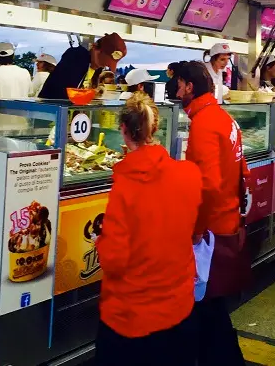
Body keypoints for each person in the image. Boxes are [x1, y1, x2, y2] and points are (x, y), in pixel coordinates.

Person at [95, 92, 203, 365]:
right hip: (179, 305)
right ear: (156, 128)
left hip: (132, 315)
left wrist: (101, 240)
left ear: (123, 131)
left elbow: (115, 261)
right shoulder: (189, 174)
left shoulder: (125, 187)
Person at [171, 61, 249, 366]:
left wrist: (196, 229)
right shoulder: (223, 117)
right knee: (211, 307)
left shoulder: (203, 123)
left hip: (211, 231)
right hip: (227, 221)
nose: (176, 92)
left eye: (178, 85)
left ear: (190, 87)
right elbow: (240, 172)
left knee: (207, 306)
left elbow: (208, 185)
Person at [38, 33, 128, 98]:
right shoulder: (76, 56)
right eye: (103, 60)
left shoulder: (96, 69)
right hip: (50, 112)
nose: (104, 65)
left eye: (108, 63)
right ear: (95, 47)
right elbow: (61, 92)